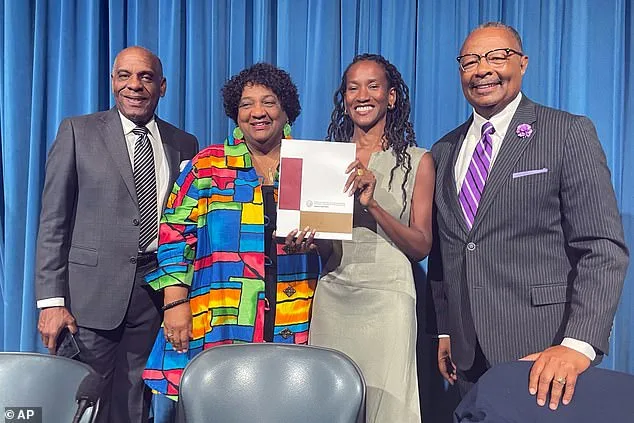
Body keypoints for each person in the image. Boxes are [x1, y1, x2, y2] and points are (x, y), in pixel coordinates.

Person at [427, 22, 629, 411]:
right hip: (468, 355)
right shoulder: (443, 150)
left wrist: (578, 344)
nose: (482, 69)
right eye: (470, 61)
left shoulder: (566, 132)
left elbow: (603, 247)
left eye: (496, 57)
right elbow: (446, 252)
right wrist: (446, 329)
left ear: (523, 64)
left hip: (546, 350)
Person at [35, 46, 199, 423]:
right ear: (112, 82)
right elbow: (53, 221)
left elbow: (185, 222)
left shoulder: (183, 143)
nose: (134, 85)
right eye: (124, 75)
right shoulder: (77, 131)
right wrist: (50, 301)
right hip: (87, 300)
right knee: (78, 403)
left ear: (163, 86)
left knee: (134, 405)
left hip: (153, 298)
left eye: (145, 77)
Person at [142, 63, 320, 403]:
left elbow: (332, 244)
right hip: (221, 315)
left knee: (284, 406)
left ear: (286, 109)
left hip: (295, 315)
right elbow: (174, 234)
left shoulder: (311, 162)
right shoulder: (209, 164)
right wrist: (174, 302)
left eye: (268, 102)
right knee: (221, 403)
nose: (257, 113)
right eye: (246, 104)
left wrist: (319, 244)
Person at [309, 54, 435, 423]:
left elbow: (421, 246)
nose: (362, 95)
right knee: (327, 403)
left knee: (388, 407)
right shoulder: (325, 160)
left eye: (373, 86)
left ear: (391, 97)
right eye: (353, 87)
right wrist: (306, 242)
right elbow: (326, 240)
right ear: (344, 98)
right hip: (333, 294)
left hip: (388, 298)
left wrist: (374, 207)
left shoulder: (418, 160)